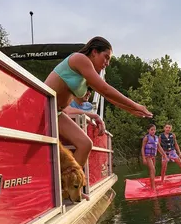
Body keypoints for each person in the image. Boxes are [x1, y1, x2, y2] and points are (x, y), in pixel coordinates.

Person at [46, 37, 152, 166]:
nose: (107, 63)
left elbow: (107, 96)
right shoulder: (79, 59)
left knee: (85, 144)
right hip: (44, 107)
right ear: (94, 52)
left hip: (56, 113)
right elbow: (105, 89)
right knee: (79, 145)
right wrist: (135, 105)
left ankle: (69, 184)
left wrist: (132, 110)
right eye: (106, 57)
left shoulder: (85, 77)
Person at [141, 124, 165, 190]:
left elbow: (159, 147)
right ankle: (153, 187)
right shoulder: (146, 138)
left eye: (154, 130)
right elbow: (143, 148)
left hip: (153, 157)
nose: (153, 131)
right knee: (153, 170)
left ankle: (152, 185)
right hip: (148, 156)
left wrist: (164, 154)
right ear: (148, 130)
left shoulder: (156, 138)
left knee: (153, 171)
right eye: (151, 130)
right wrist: (143, 158)